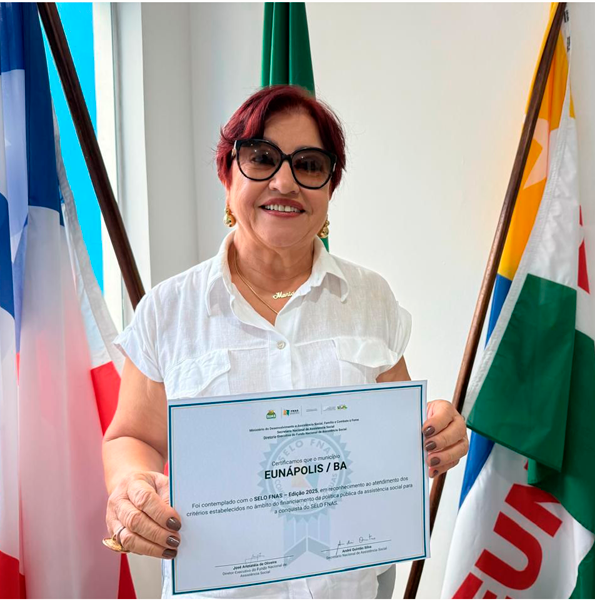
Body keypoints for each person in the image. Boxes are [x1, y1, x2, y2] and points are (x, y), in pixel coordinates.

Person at [102, 85, 469, 599]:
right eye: (261, 158)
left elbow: (400, 431)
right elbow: (131, 438)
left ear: (330, 188)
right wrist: (131, 486)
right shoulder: (169, 309)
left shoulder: (371, 298)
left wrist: (437, 432)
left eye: (309, 165)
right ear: (227, 174)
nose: (284, 181)